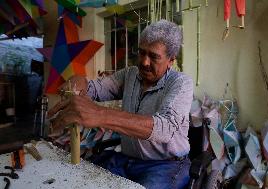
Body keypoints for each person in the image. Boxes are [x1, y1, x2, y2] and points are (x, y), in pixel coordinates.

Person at [48, 19, 193, 189]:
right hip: (126, 159)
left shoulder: (181, 83)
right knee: (83, 182)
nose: (145, 62)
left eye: (154, 56)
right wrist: (80, 81)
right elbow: (96, 88)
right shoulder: (130, 74)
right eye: (141, 53)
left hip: (165, 165)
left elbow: (166, 128)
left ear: (171, 60)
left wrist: (100, 114)